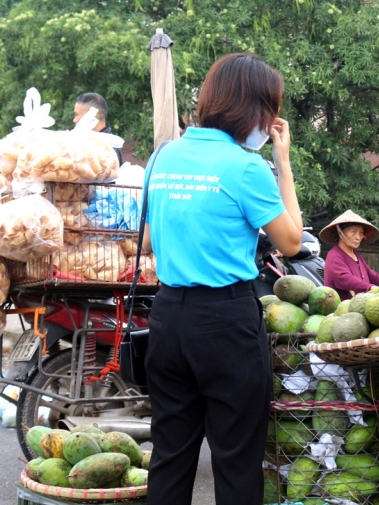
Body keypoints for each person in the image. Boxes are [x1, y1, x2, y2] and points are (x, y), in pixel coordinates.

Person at [140, 53, 304, 505]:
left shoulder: (163, 157)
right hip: (226, 322)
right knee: (235, 458)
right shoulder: (245, 167)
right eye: (269, 108)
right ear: (254, 110)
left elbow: (150, 243)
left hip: (168, 319)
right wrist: (283, 162)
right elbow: (291, 243)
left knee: (170, 454)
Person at [320, 210, 379, 300]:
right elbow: (345, 278)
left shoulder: (356, 254)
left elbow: (373, 277)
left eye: (361, 233)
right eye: (353, 232)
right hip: (343, 310)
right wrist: (370, 287)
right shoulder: (334, 255)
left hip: (361, 305)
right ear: (340, 233)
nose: (358, 237)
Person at [73, 92, 122, 164]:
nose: (74, 120)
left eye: (77, 115)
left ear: (92, 116)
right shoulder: (88, 142)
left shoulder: (108, 149)